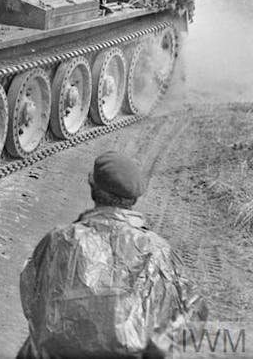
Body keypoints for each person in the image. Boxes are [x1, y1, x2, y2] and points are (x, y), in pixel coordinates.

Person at [17, 151, 207, 359]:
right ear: (133, 199)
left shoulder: (59, 239)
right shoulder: (157, 249)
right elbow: (192, 314)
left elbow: (31, 297)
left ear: (93, 187)